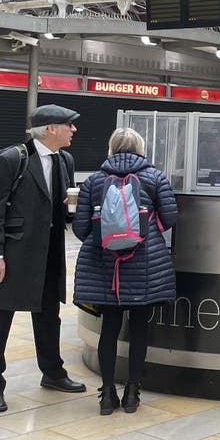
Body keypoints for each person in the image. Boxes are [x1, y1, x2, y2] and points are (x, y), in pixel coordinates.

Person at [0, 104, 87, 413]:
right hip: (11, 254)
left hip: (48, 254)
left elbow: (61, 208)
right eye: (68, 125)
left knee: (49, 316)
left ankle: (52, 372)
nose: (73, 130)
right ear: (50, 129)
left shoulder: (65, 160)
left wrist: (72, 208)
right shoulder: (12, 159)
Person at [72, 128, 179, 415]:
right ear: (141, 148)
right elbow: (170, 217)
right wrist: (147, 234)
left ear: (112, 147)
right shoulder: (155, 178)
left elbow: (81, 228)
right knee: (139, 329)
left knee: (110, 328)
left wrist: (107, 238)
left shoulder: (94, 180)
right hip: (146, 263)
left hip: (106, 266)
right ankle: (132, 393)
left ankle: (107, 394)